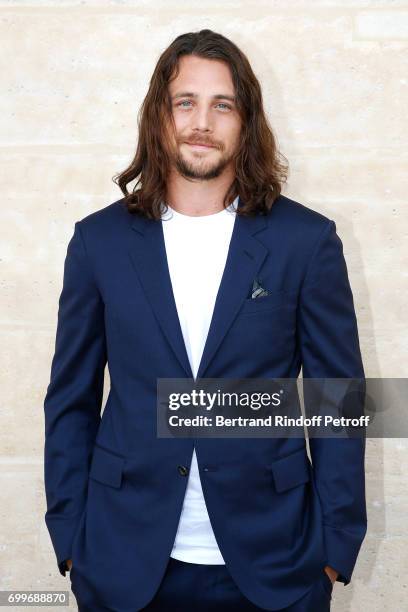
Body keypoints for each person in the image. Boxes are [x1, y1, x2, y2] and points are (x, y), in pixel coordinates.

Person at [43, 29, 367, 611]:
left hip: (277, 564)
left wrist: (335, 546)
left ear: (246, 121)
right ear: (159, 117)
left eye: (223, 104)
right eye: (184, 102)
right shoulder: (99, 243)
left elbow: (338, 400)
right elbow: (70, 398)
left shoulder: (306, 242)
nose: (202, 121)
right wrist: (71, 536)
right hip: (125, 562)